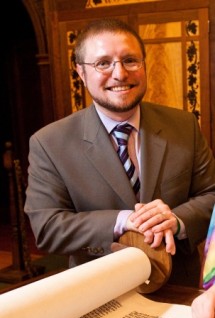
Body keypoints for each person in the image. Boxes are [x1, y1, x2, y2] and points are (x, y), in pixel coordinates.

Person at [24, 18, 215, 286]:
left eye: (130, 60)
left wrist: (176, 220)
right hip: (97, 288)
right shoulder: (49, 143)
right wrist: (124, 220)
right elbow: (47, 228)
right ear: (81, 72)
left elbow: (211, 195)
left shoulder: (183, 125)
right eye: (103, 63)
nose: (120, 73)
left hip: (179, 286)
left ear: (144, 65)